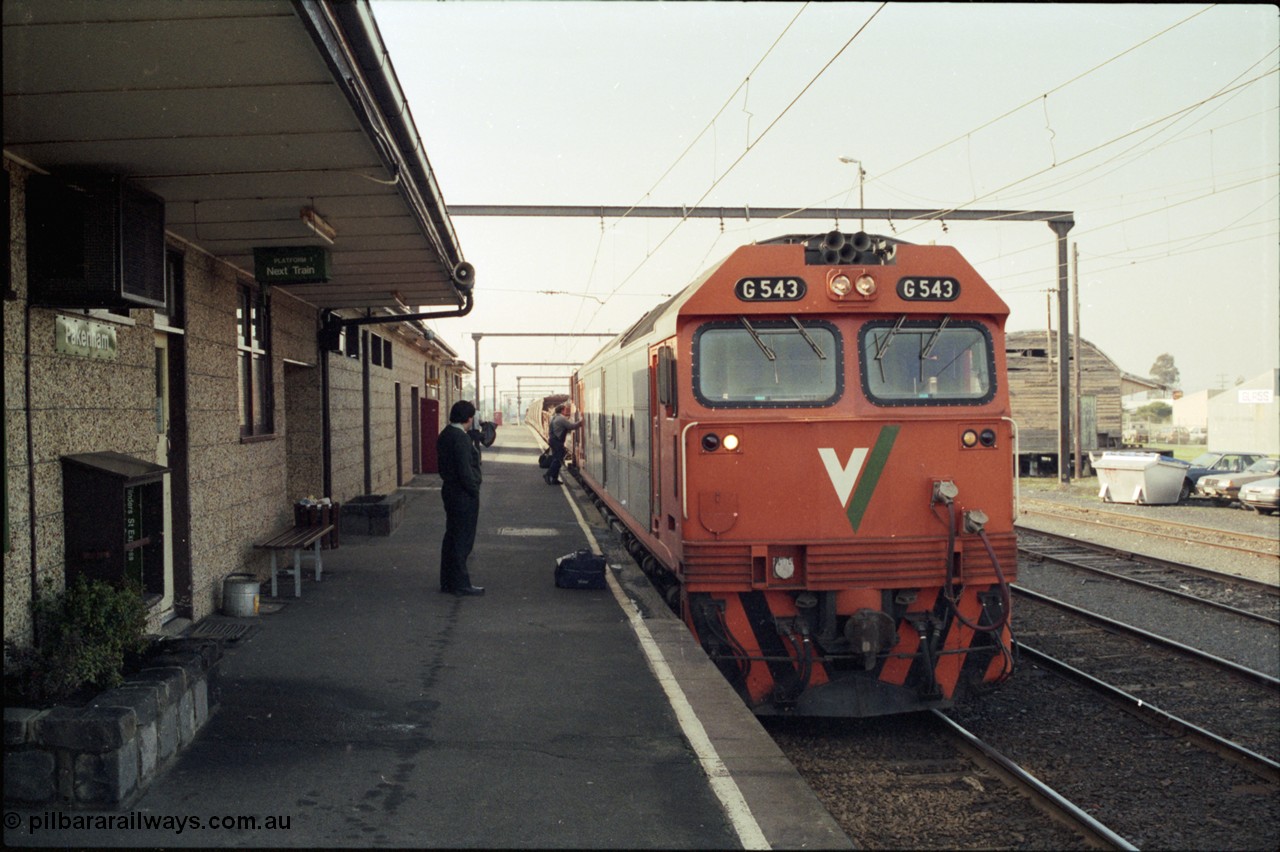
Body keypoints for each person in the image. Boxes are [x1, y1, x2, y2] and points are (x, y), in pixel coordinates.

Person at [437, 400, 484, 596]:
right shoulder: (461, 439)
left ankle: (447, 581)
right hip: (463, 495)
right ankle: (461, 584)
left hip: (450, 491)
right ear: (469, 418)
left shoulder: (445, 434)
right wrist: (474, 490)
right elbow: (465, 470)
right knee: (462, 540)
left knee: (451, 536)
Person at [544, 403, 583, 486]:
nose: (567, 411)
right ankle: (548, 474)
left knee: (555, 458)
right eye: (565, 409)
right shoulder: (561, 419)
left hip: (553, 440)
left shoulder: (553, 417)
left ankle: (554, 479)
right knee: (558, 459)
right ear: (562, 410)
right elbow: (571, 426)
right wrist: (581, 422)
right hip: (557, 442)